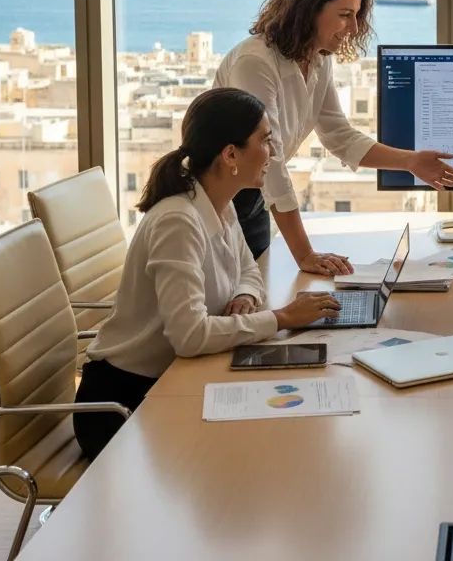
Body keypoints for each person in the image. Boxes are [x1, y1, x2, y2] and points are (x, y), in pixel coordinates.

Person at [73, 88, 343, 461]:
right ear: (230, 154)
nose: (274, 151)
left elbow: (249, 268)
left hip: (175, 379)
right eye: (265, 141)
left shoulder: (219, 201)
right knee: (260, 449)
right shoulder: (178, 221)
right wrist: (280, 318)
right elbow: (189, 336)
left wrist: (246, 297)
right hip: (124, 404)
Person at [214, 0, 453, 271]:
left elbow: (338, 134)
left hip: (253, 199)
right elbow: (272, 161)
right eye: (345, 15)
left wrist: (410, 161)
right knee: (232, 304)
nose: (355, 27)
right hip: (221, 199)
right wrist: (305, 254)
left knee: (254, 294)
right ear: (307, 11)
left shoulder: (318, 59)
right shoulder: (255, 63)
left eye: (358, 15)